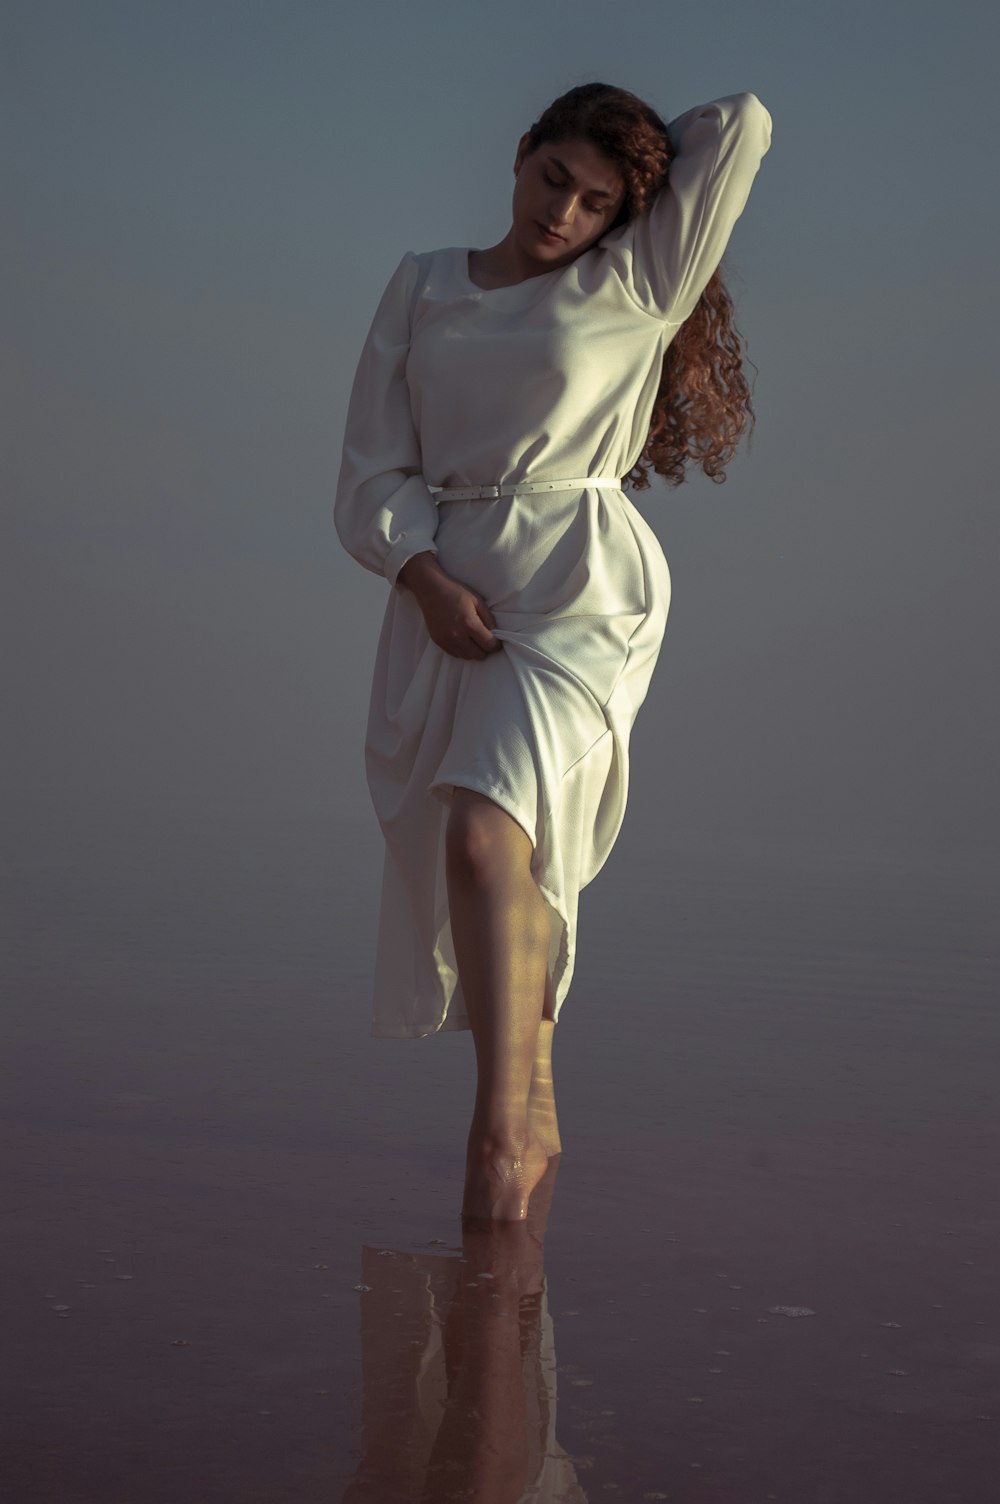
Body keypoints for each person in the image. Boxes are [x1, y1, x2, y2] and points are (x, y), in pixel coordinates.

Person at [334, 83, 772, 1222]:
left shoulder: (633, 282)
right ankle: (534, 1096)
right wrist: (423, 578)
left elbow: (745, 126)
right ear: (518, 152)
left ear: (624, 215)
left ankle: (495, 1132)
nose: (563, 212)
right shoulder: (423, 284)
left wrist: (641, 158)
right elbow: (372, 470)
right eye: (552, 178)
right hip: (453, 579)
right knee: (491, 851)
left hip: (582, 583)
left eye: (595, 200)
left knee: (485, 837)